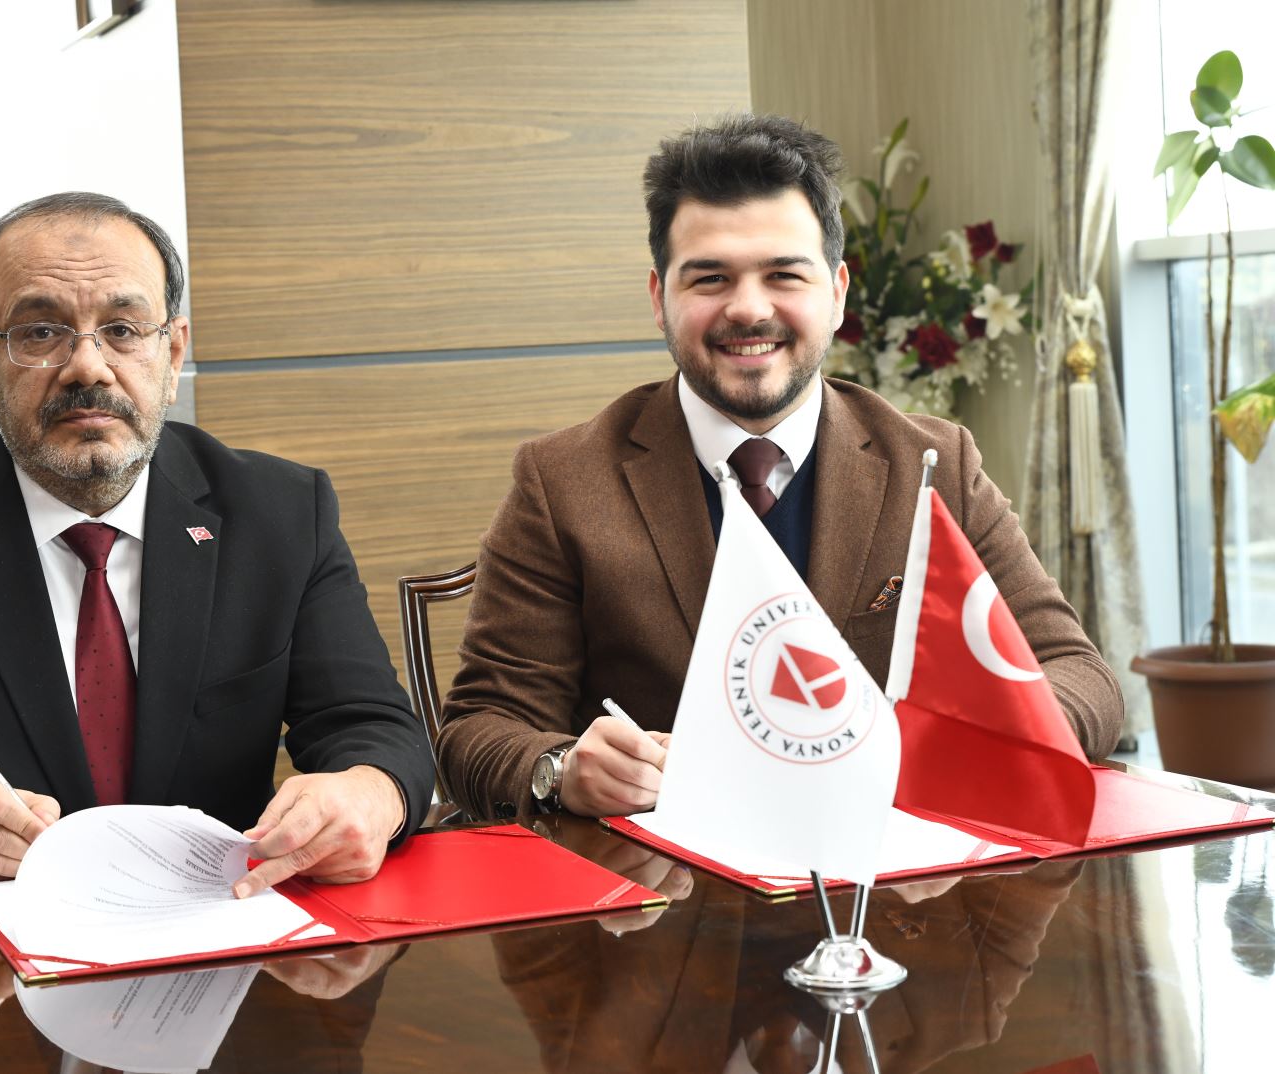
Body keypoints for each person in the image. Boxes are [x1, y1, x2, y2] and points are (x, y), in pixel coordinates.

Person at [0, 192, 434, 1025]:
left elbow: (374, 728)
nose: (88, 366)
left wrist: (369, 793)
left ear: (172, 352)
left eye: (123, 328)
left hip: (226, 984)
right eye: (41, 331)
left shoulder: (281, 514)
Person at [435, 114, 1123, 820]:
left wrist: (955, 752)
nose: (748, 308)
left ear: (837, 291)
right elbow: (479, 729)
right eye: (710, 278)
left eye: (783, 275)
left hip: (895, 871)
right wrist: (560, 769)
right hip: (660, 879)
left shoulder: (935, 465)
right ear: (659, 298)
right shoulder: (562, 482)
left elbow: (1081, 678)